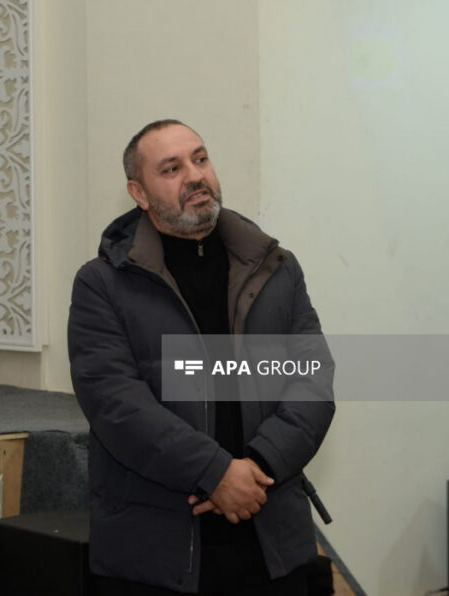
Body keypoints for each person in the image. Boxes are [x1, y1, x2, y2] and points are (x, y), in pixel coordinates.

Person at [68, 119, 334, 595]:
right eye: (171, 169)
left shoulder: (276, 268)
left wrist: (257, 466)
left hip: (270, 533)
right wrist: (215, 473)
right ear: (139, 192)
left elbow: (311, 379)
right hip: (157, 550)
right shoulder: (102, 284)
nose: (194, 176)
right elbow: (116, 403)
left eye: (200, 159)